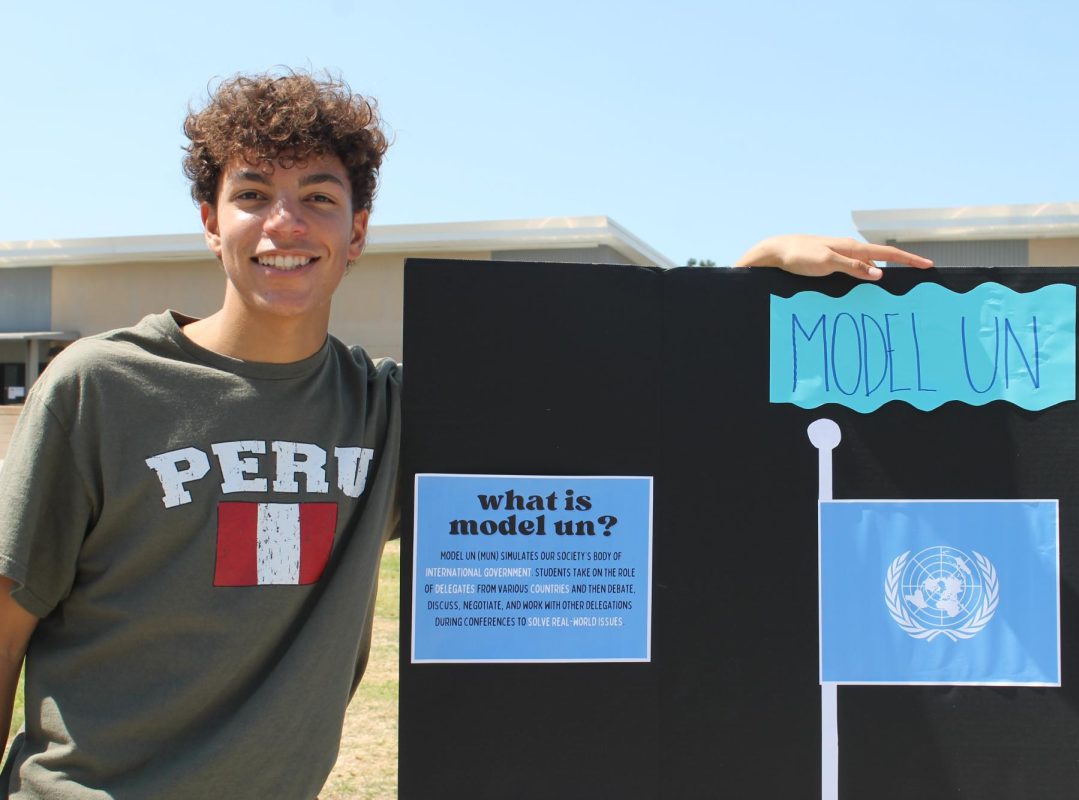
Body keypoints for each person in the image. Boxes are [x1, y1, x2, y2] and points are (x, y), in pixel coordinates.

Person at [0, 70, 931, 798]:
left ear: (359, 230)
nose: (286, 223)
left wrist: (750, 269)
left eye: (319, 197)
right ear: (211, 222)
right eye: (254, 195)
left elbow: (622, 388)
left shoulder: (394, 412)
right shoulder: (101, 386)